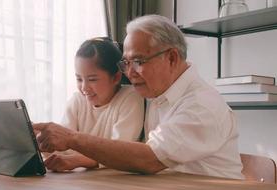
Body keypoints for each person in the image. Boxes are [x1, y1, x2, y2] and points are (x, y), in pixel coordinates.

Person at [34, 15, 243, 179]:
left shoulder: (201, 105)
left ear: (171, 58)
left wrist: (72, 138)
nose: (129, 73)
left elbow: (149, 159)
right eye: (126, 63)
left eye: (139, 61)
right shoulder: (157, 94)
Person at [43, 37, 145, 172]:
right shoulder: (77, 100)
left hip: (116, 180)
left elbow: (121, 153)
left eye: (92, 79)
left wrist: (78, 161)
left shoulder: (131, 98)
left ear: (116, 77)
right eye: (79, 79)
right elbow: (63, 147)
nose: (84, 88)